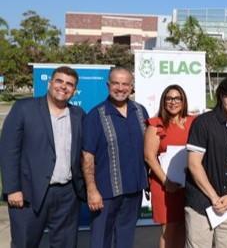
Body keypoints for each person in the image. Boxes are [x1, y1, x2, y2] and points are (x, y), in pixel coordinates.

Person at [0, 66, 85, 248]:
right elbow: (8, 150)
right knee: (25, 243)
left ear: (74, 90)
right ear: (49, 83)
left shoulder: (78, 115)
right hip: (28, 194)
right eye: (59, 81)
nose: (63, 87)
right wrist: (12, 189)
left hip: (67, 194)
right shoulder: (24, 108)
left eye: (69, 84)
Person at [82, 66, 149, 248]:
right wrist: (91, 189)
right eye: (116, 83)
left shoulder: (140, 111)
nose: (120, 88)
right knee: (101, 240)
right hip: (105, 192)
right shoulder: (96, 115)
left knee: (125, 238)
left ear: (131, 86)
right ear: (108, 85)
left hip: (134, 189)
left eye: (125, 84)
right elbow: (87, 156)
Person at [184, 77, 227, 248]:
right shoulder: (203, 123)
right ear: (221, 96)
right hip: (201, 202)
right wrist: (214, 197)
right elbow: (194, 164)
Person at [144, 84, 194, 248]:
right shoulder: (156, 124)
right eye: (169, 98)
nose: (173, 102)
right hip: (165, 186)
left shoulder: (194, 122)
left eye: (177, 98)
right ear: (163, 101)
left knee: (184, 227)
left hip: (188, 185)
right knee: (169, 229)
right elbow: (149, 157)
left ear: (183, 100)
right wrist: (167, 182)